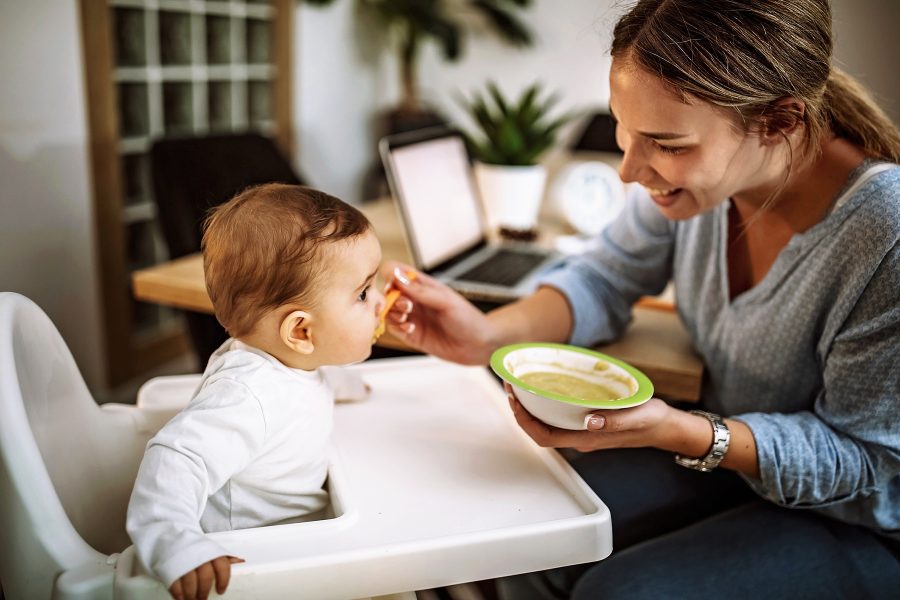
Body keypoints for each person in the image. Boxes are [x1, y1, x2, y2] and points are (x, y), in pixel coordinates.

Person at [380, 0, 900, 597]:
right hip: (730, 463)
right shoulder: (697, 188)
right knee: (513, 525)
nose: (630, 171)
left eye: (667, 144)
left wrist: (680, 432)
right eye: (625, 133)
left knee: (618, 592)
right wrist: (490, 335)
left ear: (780, 121)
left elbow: (864, 459)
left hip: (858, 519)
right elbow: (605, 276)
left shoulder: (884, 232)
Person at [127, 184, 384, 600]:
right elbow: (175, 460)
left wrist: (348, 385)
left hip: (303, 543)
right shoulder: (247, 396)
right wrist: (176, 543)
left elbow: (311, 374)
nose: (380, 301)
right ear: (301, 330)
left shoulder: (288, 357)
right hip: (255, 568)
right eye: (363, 293)